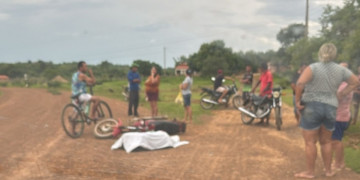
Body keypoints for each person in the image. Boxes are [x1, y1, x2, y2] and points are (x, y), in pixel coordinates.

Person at [294, 43, 359, 178]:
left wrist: (297, 101)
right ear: (334, 54)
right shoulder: (340, 70)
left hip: (312, 106)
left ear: (320, 52)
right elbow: (355, 82)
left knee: (310, 142)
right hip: (330, 107)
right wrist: (340, 94)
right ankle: (328, 171)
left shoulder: (313, 67)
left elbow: (300, 84)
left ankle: (310, 172)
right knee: (326, 141)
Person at [331, 62, 354, 172]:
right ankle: (342, 162)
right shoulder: (343, 83)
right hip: (341, 115)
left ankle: (337, 164)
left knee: (336, 141)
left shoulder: (345, 85)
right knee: (337, 139)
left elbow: (336, 98)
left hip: (339, 117)